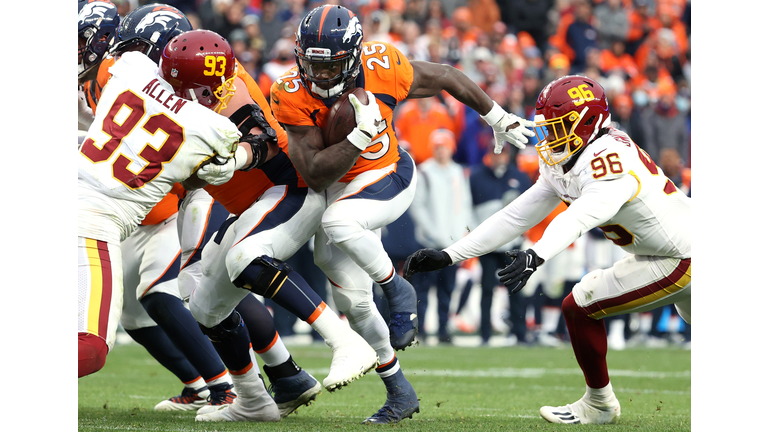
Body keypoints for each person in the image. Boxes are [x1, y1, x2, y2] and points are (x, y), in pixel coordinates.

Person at [270, 4, 535, 424]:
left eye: (331, 65)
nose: (319, 76)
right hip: (338, 189)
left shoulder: (383, 64)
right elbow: (316, 176)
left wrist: (497, 117)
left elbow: (447, 76)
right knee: (353, 303)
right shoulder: (288, 91)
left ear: (354, 56)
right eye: (312, 64)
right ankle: (400, 393)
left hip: (390, 174)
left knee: (336, 224)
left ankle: (398, 289)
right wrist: (357, 136)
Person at [403, 74, 690, 425]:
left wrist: (536, 255)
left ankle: (599, 404)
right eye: (548, 126)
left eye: (560, 125)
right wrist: (452, 254)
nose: (551, 135)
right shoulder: (569, 153)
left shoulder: (609, 159)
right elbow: (518, 213)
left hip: (680, 254)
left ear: (588, 122)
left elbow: (579, 218)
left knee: (580, 304)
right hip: (664, 250)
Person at [161, 30, 379, 422]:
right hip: (250, 205)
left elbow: (263, 140)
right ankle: (257, 400)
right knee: (203, 304)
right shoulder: (175, 88)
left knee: (246, 257)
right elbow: (190, 176)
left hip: (289, 187)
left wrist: (237, 159)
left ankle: (345, 341)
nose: (214, 94)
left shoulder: (229, 86)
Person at [77, 27, 246, 379]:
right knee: (89, 348)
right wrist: (248, 150)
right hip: (92, 223)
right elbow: (208, 176)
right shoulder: (212, 127)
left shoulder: (132, 66)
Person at [408, 129, 474, 343]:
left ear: (451, 148)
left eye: (444, 146)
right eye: (437, 147)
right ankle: (422, 330)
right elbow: (418, 209)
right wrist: (433, 234)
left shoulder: (458, 172)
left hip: (454, 245)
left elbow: (465, 205)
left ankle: (444, 329)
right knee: (423, 290)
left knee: (447, 290)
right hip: (430, 243)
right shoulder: (425, 171)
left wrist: (466, 232)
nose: (441, 151)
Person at [468, 142, 532, 345]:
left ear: (508, 155)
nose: (499, 158)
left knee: (516, 288)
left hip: (512, 243)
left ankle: (520, 333)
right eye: (495, 153)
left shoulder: (520, 178)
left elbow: (530, 209)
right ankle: (485, 334)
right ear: (489, 154)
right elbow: (469, 209)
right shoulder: (477, 177)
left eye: (502, 154)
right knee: (487, 288)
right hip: (487, 243)